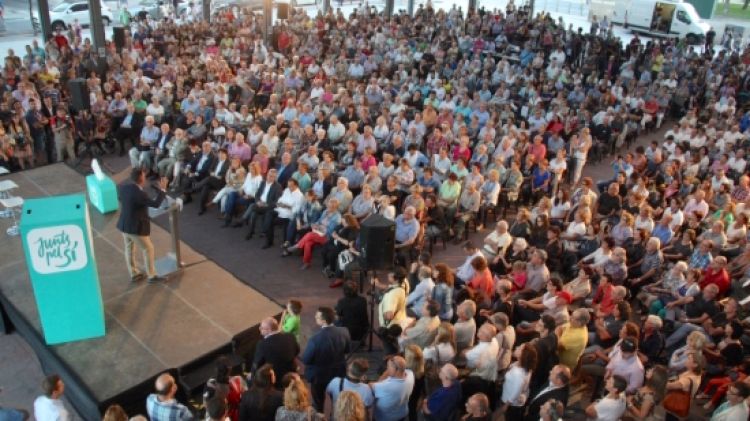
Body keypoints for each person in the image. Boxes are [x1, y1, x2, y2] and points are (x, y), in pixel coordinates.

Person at [116, 168, 167, 283]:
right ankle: (152, 275)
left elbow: (122, 199)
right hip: (135, 228)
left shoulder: (124, 188)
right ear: (141, 179)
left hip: (124, 225)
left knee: (129, 248)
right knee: (148, 249)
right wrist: (163, 189)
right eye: (144, 176)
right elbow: (156, 204)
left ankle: (133, 273)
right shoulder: (140, 194)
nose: (145, 177)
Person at [301, 307, 352, 410]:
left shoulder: (315, 339)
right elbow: (347, 350)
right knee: (337, 401)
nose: (315, 317)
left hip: (319, 376)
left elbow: (306, 360)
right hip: (338, 372)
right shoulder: (344, 331)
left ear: (324, 320)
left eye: (317, 316)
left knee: (318, 403)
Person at [253, 317, 300, 383]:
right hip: (291, 375)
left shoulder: (262, 344)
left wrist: (252, 375)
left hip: (275, 379)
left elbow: (257, 364)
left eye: (261, 328)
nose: (259, 329)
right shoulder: (290, 336)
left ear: (269, 330)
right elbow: (297, 351)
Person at [372, 355, 415, 421]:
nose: (387, 369)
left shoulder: (386, 386)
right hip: (402, 414)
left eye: (388, 367)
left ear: (396, 369)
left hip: (385, 418)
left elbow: (371, 387)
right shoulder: (410, 374)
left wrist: (385, 374)